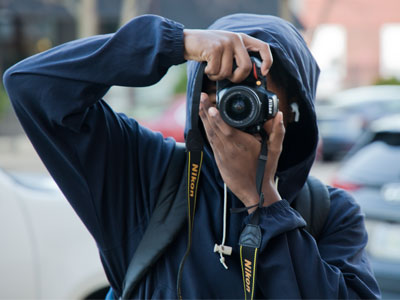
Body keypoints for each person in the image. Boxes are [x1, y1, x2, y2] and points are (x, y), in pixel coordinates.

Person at [3, 13, 380, 299]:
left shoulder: (329, 214)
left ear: (293, 113)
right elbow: (31, 85)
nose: (234, 107)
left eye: (254, 94)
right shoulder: (146, 175)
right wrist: (175, 43)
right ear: (198, 96)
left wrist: (262, 201)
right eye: (222, 87)